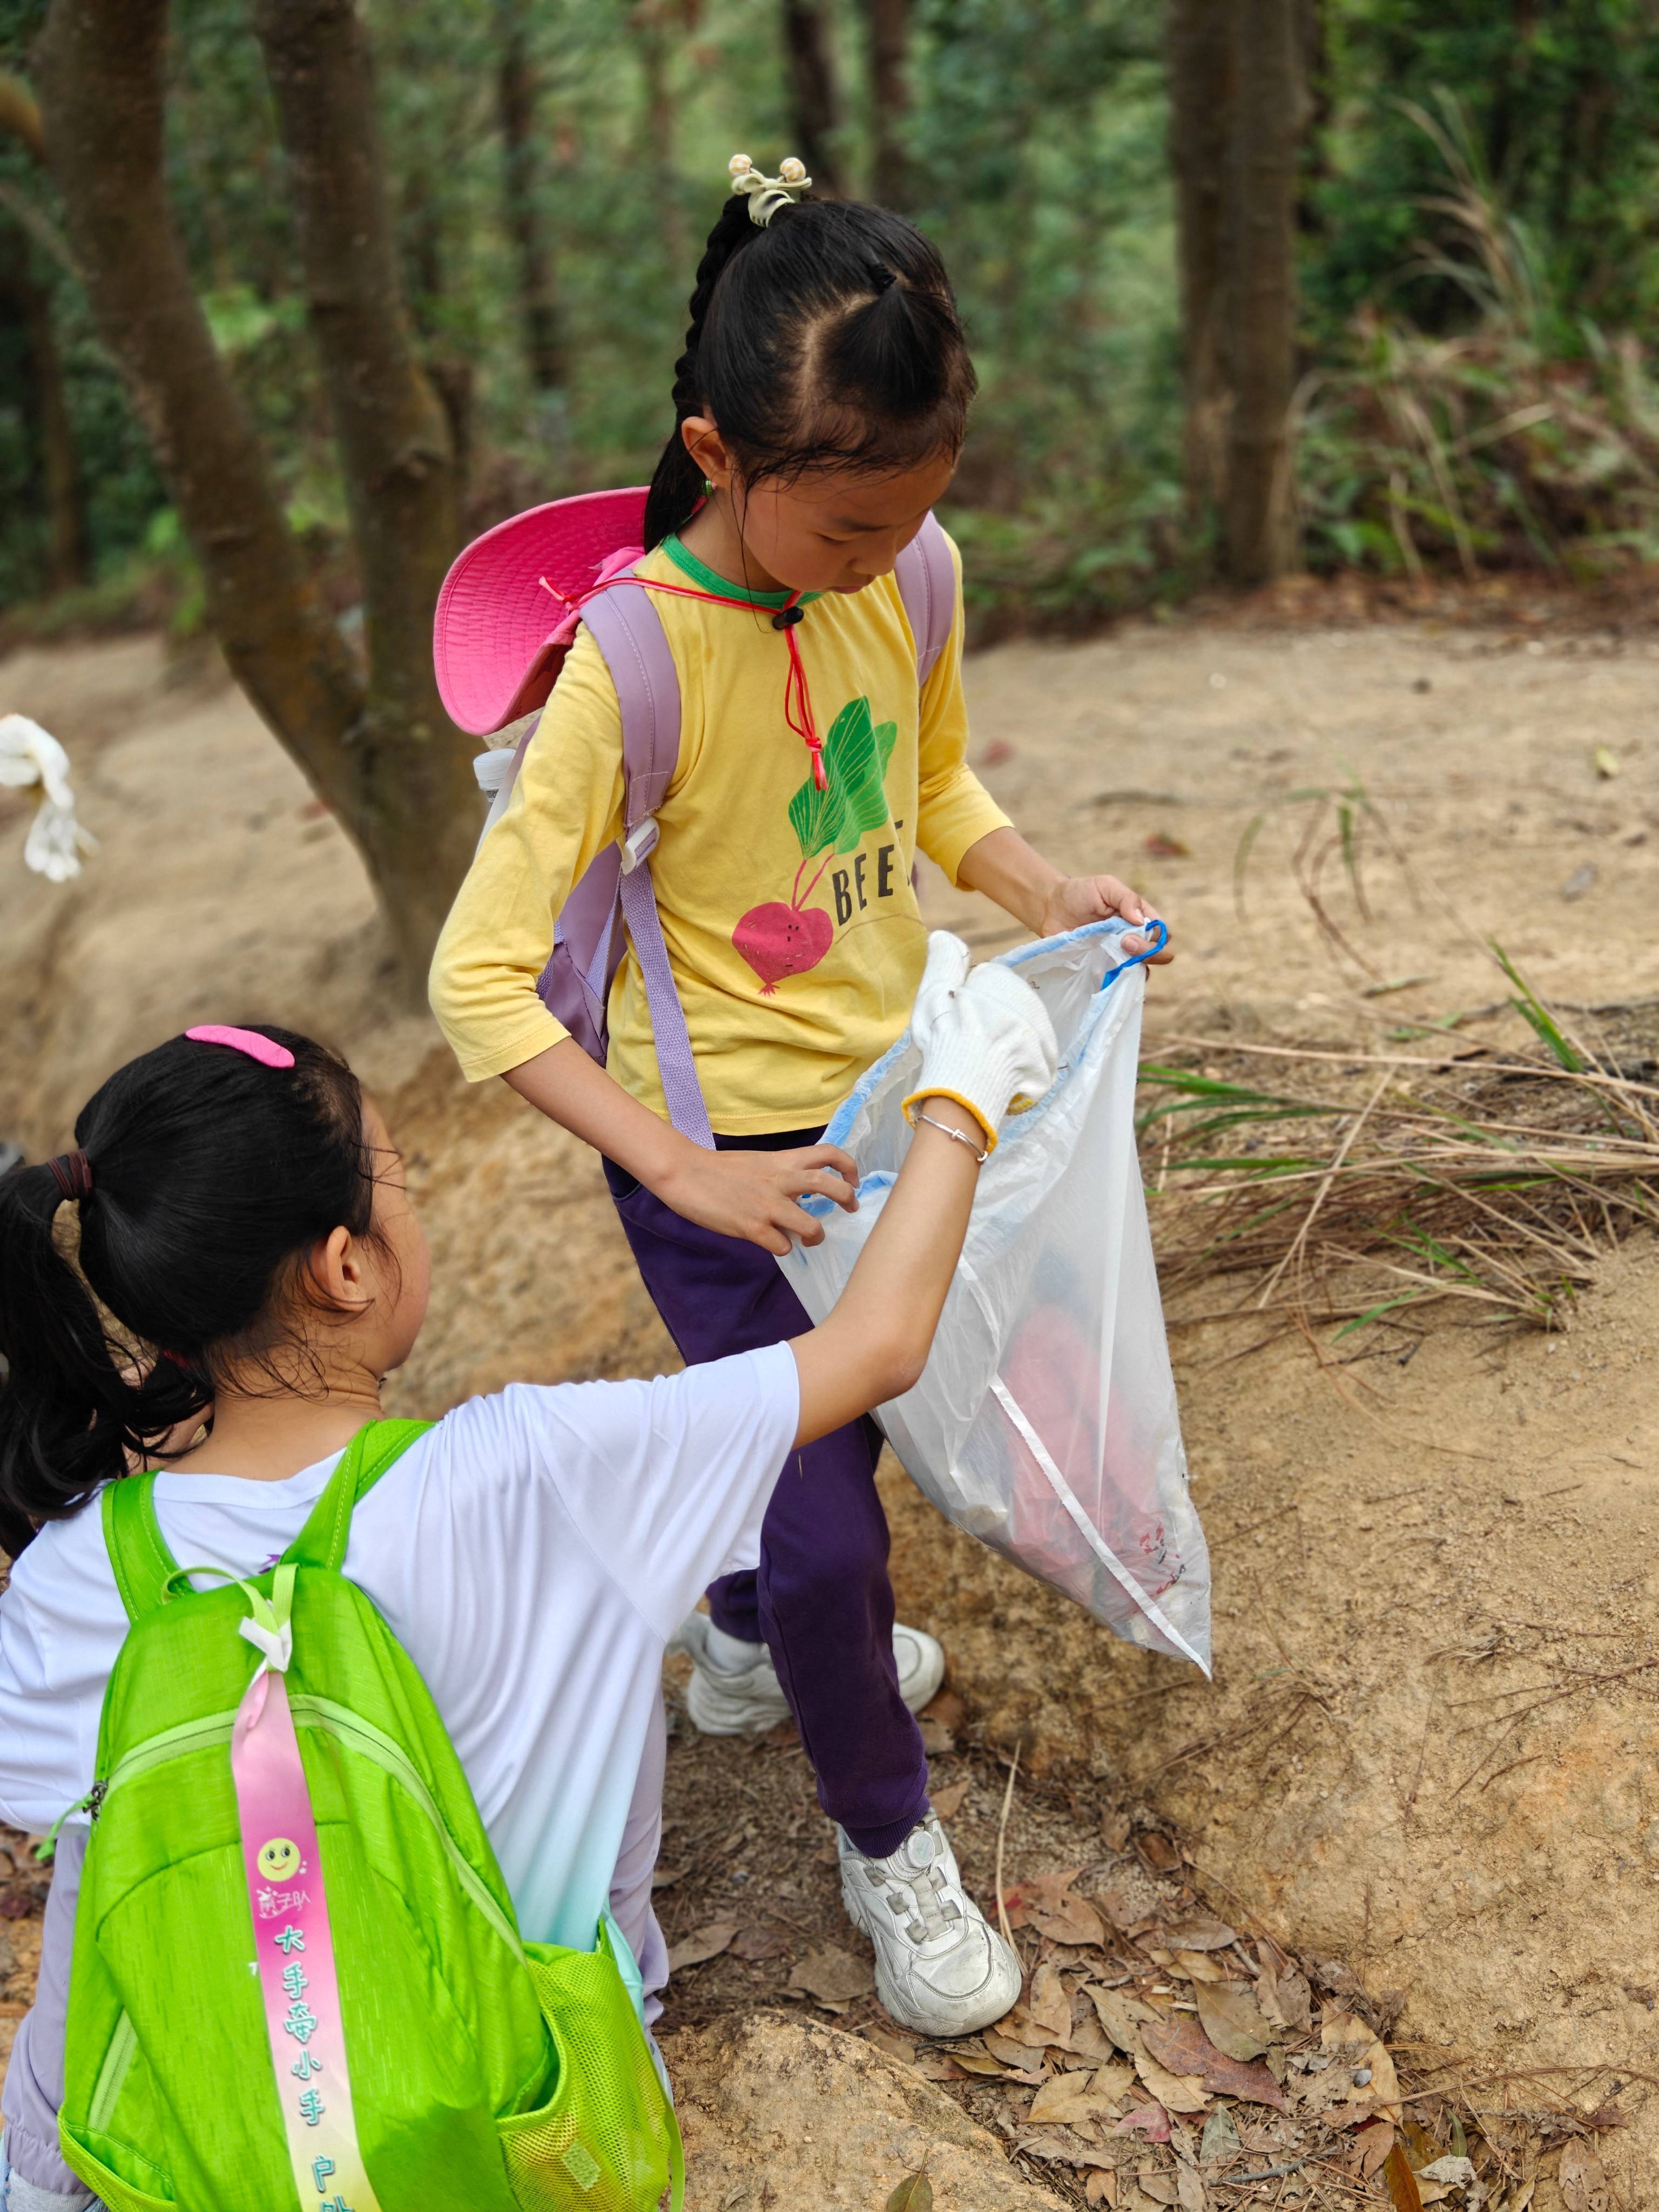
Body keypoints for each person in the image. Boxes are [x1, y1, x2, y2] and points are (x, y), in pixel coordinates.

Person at [427, 154, 1170, 2038]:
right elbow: (477, 980)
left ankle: (750, 1639)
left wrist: (1037, 886)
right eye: (840, 529)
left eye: (909, 519)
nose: (876, 561)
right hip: (721, 1170)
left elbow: (929, 796)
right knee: (843, 1526)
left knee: (858, 1458)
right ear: (717, 450)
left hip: (880, 1115)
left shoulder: (909, 571)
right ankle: (887, 1840)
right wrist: (682, 1170)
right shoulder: (624, 668)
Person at [0, 976, 1054, 2211]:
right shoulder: (533, 1476)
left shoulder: (79, 1569)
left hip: (148, 2143)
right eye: (403, 1184)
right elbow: (878, 1343)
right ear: (347, 1267)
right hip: (509, 2130)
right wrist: (966, 1091)